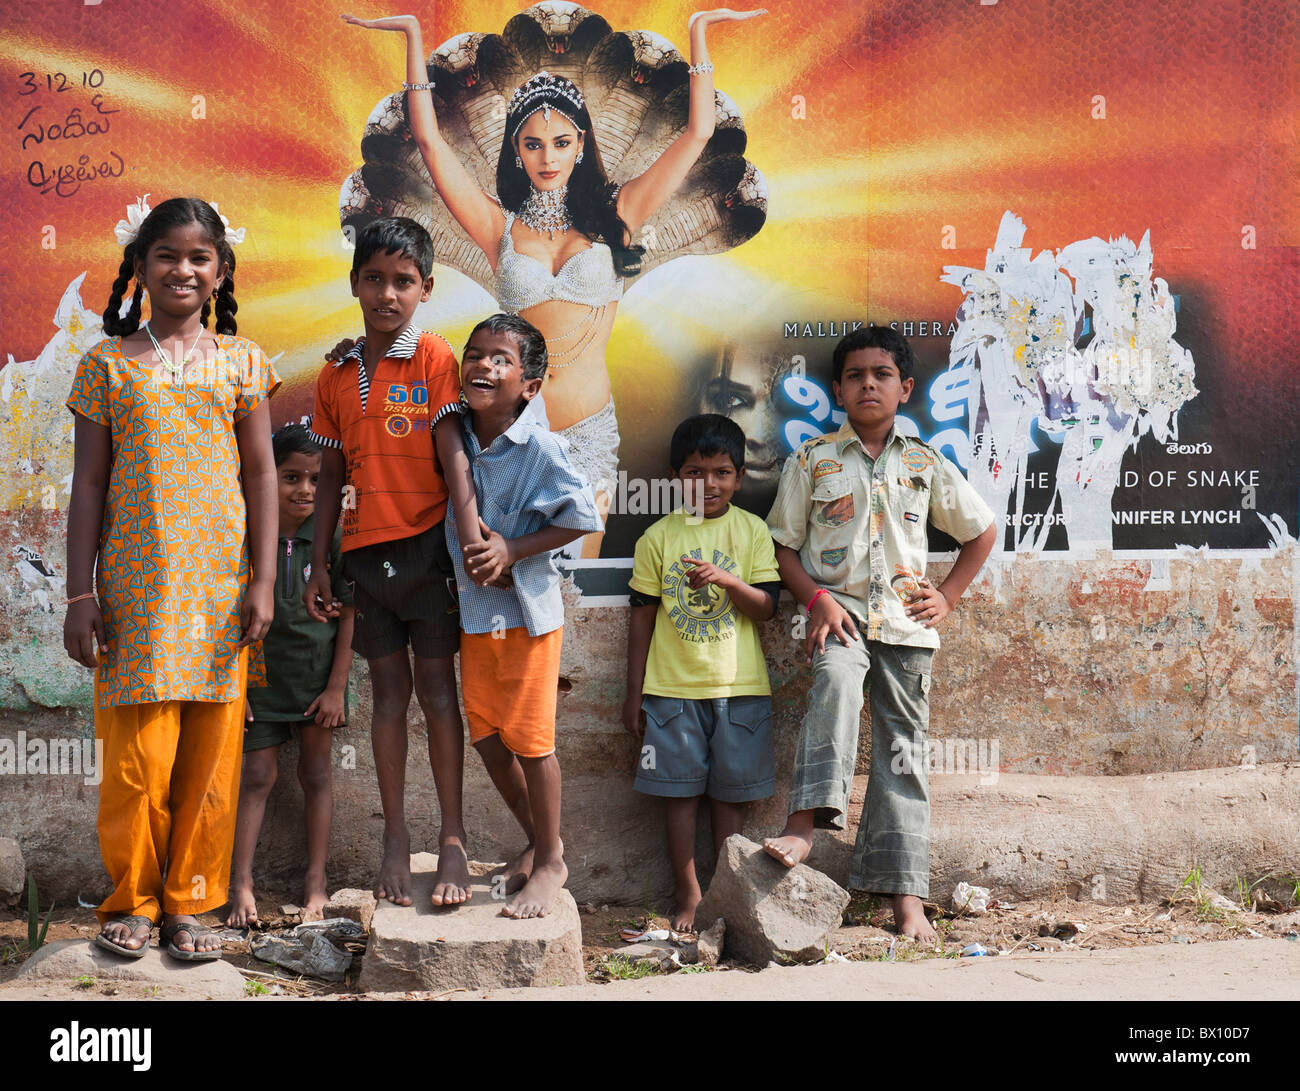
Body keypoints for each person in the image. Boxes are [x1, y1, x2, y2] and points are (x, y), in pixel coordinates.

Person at [343, 8, 765, 557]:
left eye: (562, 142)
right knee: (505, 575)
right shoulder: (498, 228)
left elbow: (698, 132)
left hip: (589, 431)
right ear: (516, 152)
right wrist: (414, 38)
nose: (548, 157)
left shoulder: (622, 213)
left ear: (582, 144)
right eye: (534, 144)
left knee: (574, 586)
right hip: (510, 429)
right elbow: (429, 142)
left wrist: (699, 33)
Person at [64, 196, 279, 961]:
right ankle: (133, 902)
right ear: (142, 265)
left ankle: (191, 905)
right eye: (167, 256)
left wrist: (262, 582)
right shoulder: (107, 365)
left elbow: (262, 473)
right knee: (135, 764)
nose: (182, 270)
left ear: (220, 269)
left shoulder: (243, 361)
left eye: (198, 258)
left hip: (219, 596)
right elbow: (88, 485)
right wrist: (79, 593)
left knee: (210, 760)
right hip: (132, 597)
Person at [762, 326, 998, 943]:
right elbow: (781, 546)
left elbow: (980, 532)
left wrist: (946, 597)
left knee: (904, 752)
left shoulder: (925, 462)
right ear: (838, 390)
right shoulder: (812, 459)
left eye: (882, 374)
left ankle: (908, 899)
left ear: (905, 388)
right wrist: (814, 599)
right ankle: (803, 827)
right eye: (856, 375)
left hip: (906, 625)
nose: (869, 383)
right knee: (834, 689)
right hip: (838, 616)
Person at [303, 217, 480, 909]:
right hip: (366, 556)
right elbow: (328, 471)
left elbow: (453, 451)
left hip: (428, 549)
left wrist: (468, 533)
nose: (387, 293)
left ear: (426, 288)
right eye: (373, 278)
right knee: (387, 698)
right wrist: (321, 564)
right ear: (354, 283)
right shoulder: (336, 373)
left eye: (403, 281)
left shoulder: (435, 358)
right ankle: (397, 837)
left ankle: (455, 837)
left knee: (439, 694)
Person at [445, 314, 602, 918]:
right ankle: (538, 842)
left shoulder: (540, 446)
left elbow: (582, 516)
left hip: (528, 616)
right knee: (487, 737)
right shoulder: (454, 431)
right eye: (476, 353)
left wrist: (513, 548)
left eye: (501, 360)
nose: (484, 365)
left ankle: (552, 861)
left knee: (534, 744)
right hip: (476, 615)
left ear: (530, 387)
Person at [624, 414, 780, 932]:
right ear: (675, 475)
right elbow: (642, 618)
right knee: (678, 794)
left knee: (730, 796)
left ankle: (726, 889)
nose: (707, 484)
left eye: (720, 472)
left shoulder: (752, 531)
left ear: (738, 478)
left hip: (740, 690)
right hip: (670, 692)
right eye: (694, 472)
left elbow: (765, 608)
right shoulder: (657, 538)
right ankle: (688, 894)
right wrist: (634, 695)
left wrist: (727, 581)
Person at [226, 425, 355, 927]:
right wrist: (235, 688)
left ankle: (316, 883)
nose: (305, 490)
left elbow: (349, 613)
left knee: (316, 775)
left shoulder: (332, 538)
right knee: (256, 777)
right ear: (263, 478)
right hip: (257, 683)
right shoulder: (242, 536)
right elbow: (225, 615)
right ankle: (240, 883)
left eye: (317, 480)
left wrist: (337, 686)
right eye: (291, 477)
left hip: (316, 684)